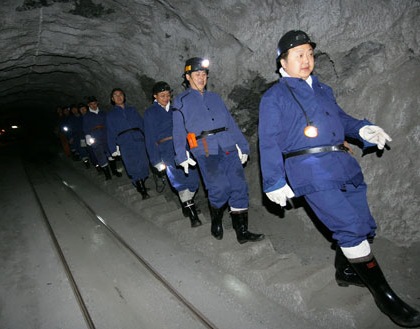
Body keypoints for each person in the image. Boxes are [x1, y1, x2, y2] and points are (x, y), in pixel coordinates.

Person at [258, 30, 419, 327]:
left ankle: (345, 272)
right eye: (299, 55)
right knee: (351, 227)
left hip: (341, 164)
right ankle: (386, 298)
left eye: (309, 53)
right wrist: (273, 181)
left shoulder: (323, 89)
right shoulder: (274, 96)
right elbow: (267, 140)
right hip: (308, 169)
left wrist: (362, 130)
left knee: (365, 224)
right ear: (283, 61)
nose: (306, 60)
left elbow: (340, 119)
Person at [172, 57, 264, 244]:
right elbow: (178, 130)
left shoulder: (215, 98)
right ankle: (217, 220)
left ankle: (242, 232)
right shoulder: (180, 101)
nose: (201, 78)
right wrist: (181, 155)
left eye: (204, 74)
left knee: (239, 187)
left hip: (227, 144)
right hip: (204, 149)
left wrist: (243, 145)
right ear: (188, 76)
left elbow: (230, 123)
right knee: (220, 188)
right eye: (197, 74)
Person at [144, 81, 201, 227]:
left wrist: (195, 147)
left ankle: (186, 203)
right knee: (180, 181)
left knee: (193, 180)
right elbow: (150, 138)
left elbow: (189, 127)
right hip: (166, 149)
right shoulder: (150, 113)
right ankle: (193, 216)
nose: (166, 98)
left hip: (184, 146)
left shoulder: (176, 108)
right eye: (162, 96)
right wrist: (155, 159)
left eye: (168, 95)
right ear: (155, 96)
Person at [106, 88, 150, 199]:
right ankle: (142, 190)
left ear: (124, 96)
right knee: (132, 165)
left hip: (138, 139)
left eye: (120, 94)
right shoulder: (111, 115)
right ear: (112, 99)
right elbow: (110, 132)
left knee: (144, 163)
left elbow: (141, 124)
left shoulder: (132, 110)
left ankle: (141, 182)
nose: (118, 97)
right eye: (115, 95)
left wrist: (148, 138)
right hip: (125, 142)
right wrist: (113, 148)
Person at [83, 96, 121, 180]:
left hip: (105, 135)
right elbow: (86, 127)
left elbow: (108, 124)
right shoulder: (87, 116)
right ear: (88, 105)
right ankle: (107, 175)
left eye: (95, 104)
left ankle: (114, 171)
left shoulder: (103, 113)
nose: (94, 106)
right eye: (91, 104)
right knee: (100, 155)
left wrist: (112, 134)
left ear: (97, 103)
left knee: (110, 153)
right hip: (95, 137)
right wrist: (88, 136)